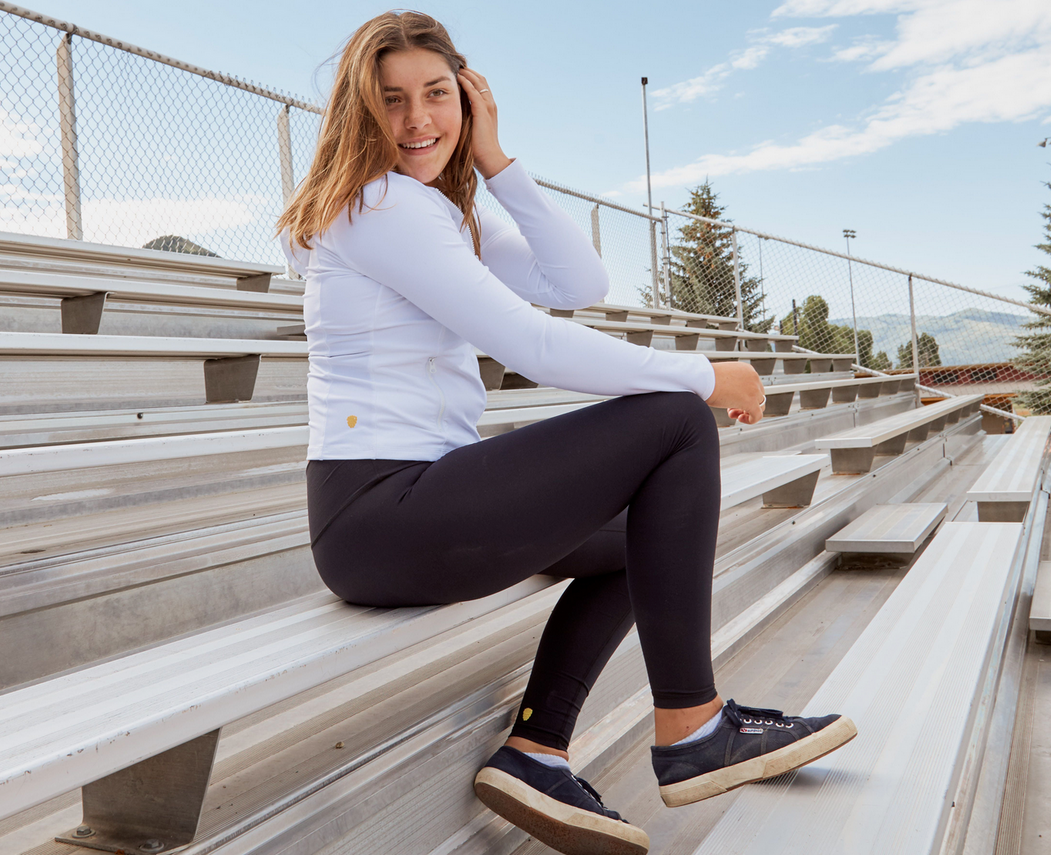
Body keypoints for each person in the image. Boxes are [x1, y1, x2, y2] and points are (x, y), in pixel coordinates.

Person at [276, 11, 856, 855]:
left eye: (438, 96)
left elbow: (577, 282)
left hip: (410, 504)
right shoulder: (378, 205)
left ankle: (537, 748)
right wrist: (706, 375)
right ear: (361, 112)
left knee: (643, 536)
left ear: (469, 100)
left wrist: (497, 162)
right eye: (391, 100)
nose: (416, 122)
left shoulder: (440, 210)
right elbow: (531, 343)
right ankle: (693, 728)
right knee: (673, 422)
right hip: (380, 509)